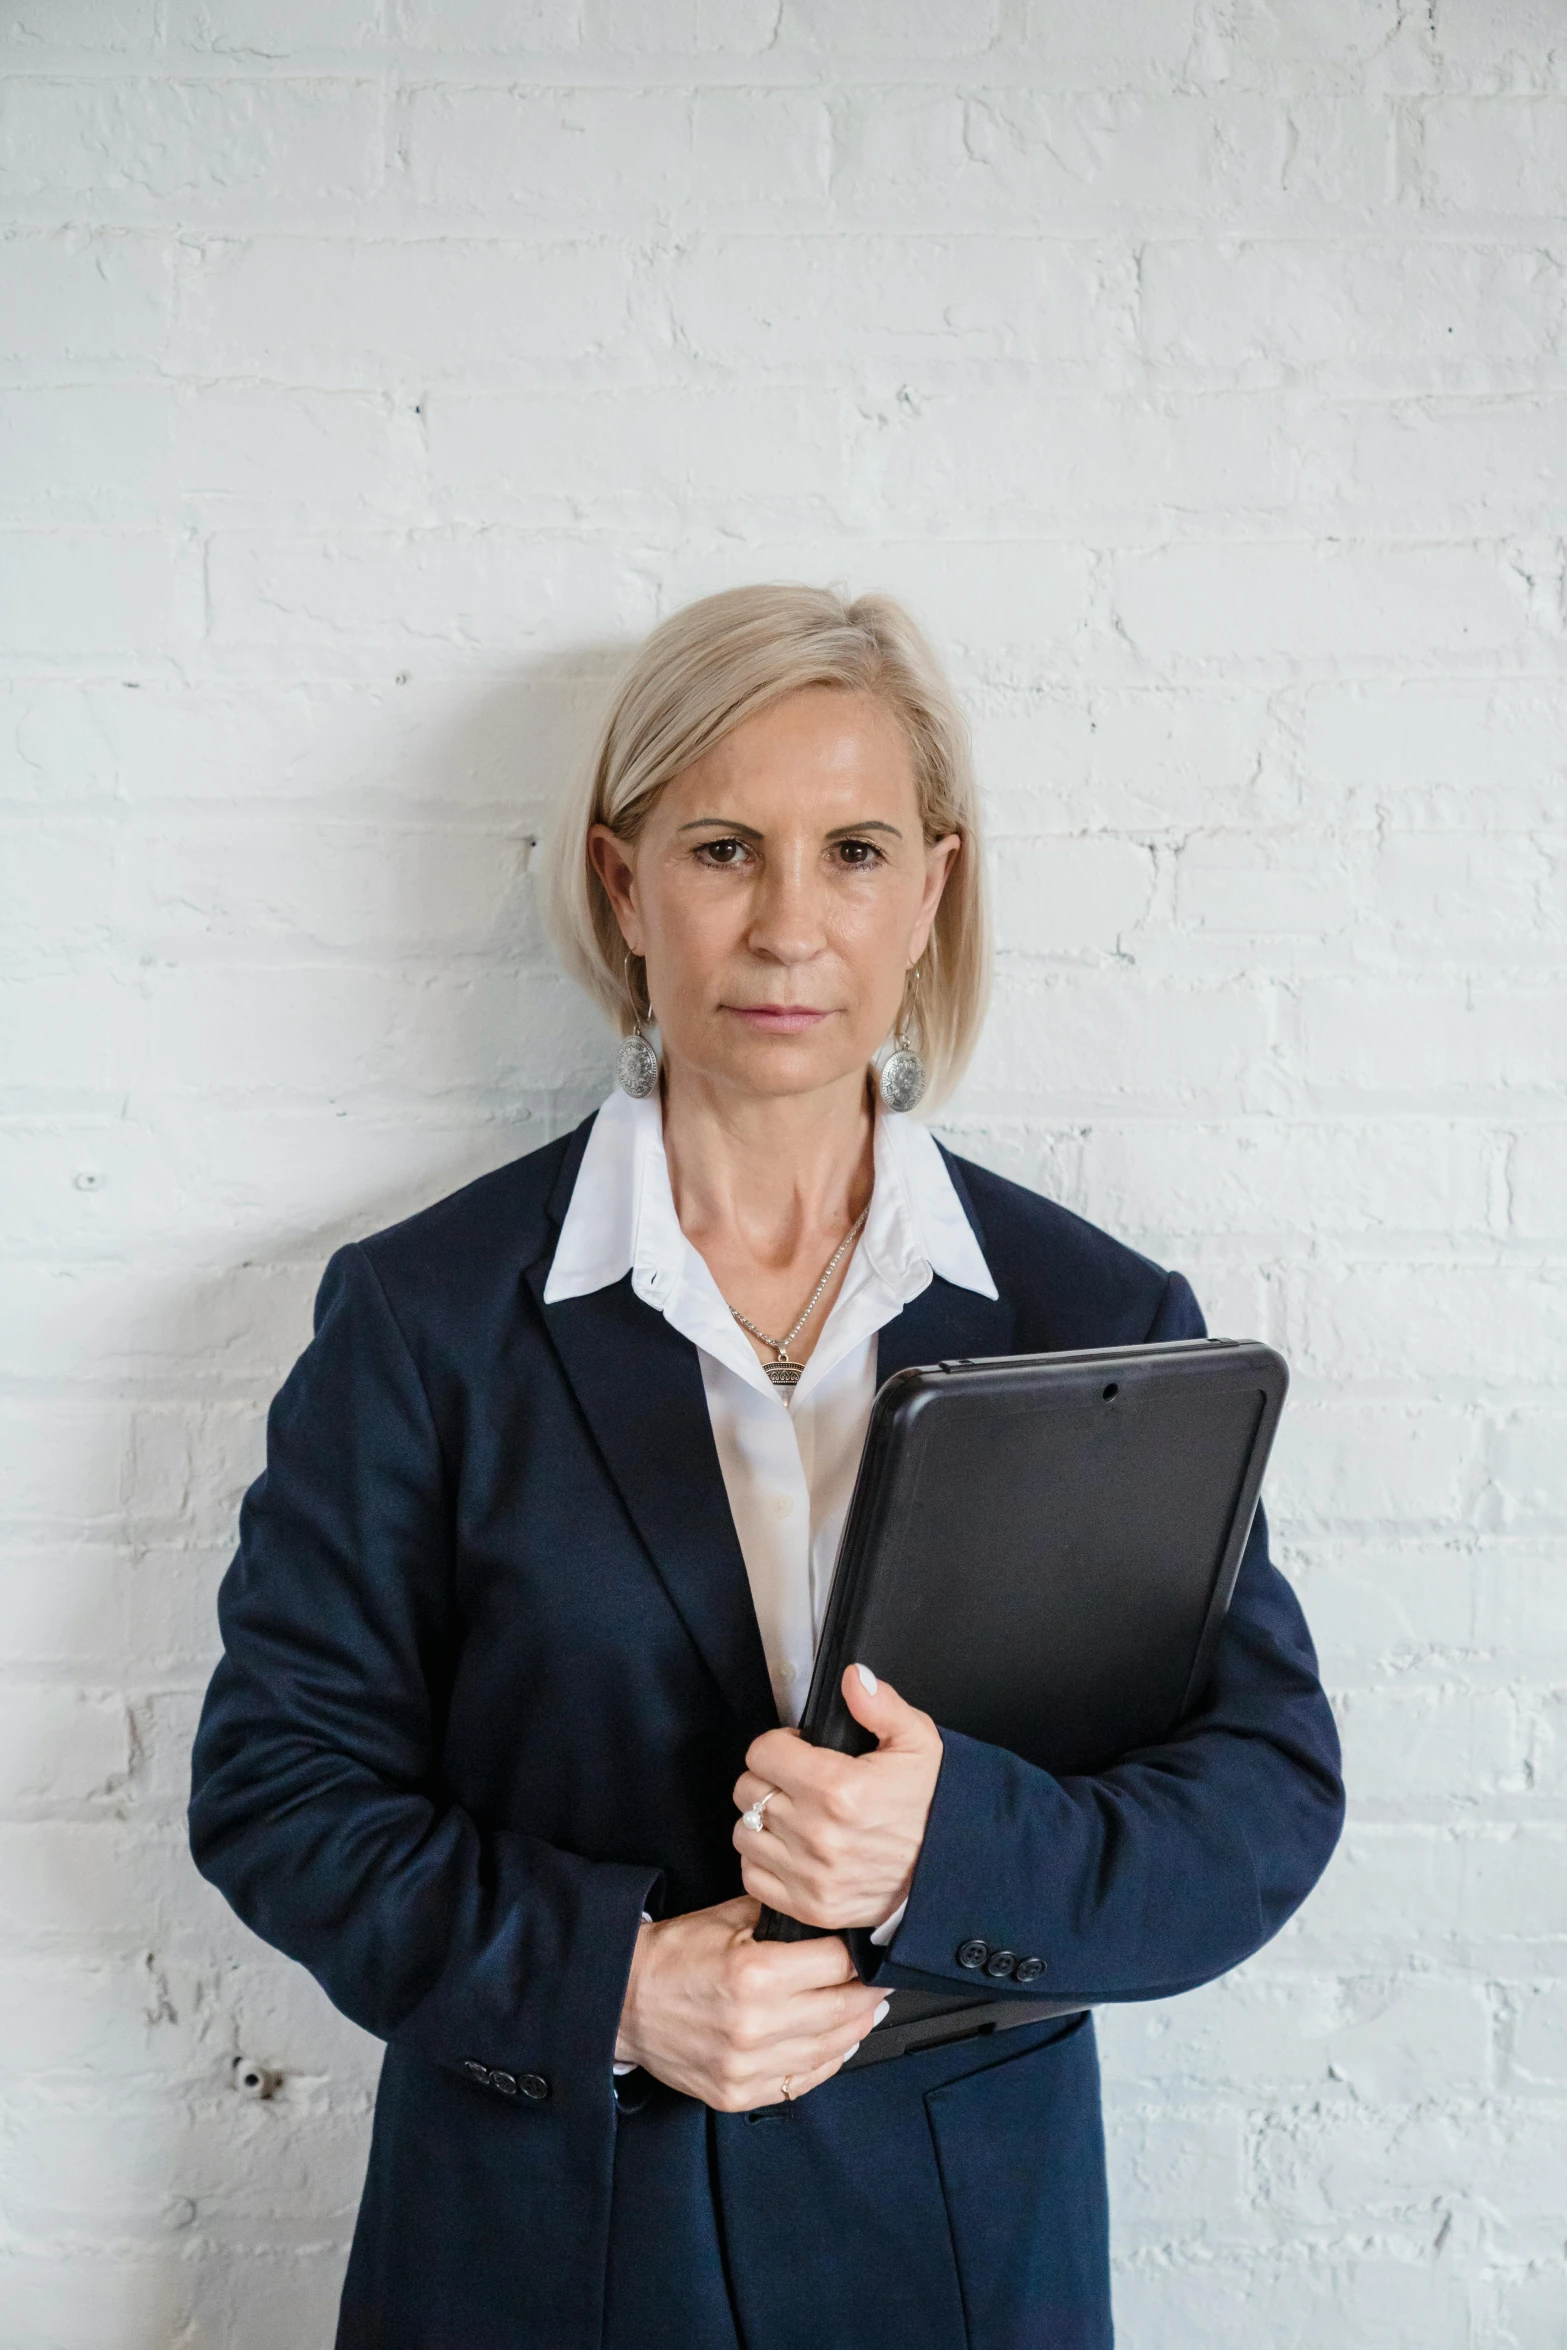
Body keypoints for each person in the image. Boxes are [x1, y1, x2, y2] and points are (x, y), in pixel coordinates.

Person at [188, 584, 1344, 2350]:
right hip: (535, 2241)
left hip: (957, 2255)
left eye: (856, 850)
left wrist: (940, 1845)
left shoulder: (1094, 1313)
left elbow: (1257, 1797)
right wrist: (617, 1990)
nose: (790, 924)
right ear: (618, 881)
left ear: (931, 893)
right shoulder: (425, 1318)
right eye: (723, 846)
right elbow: (278, 1783)